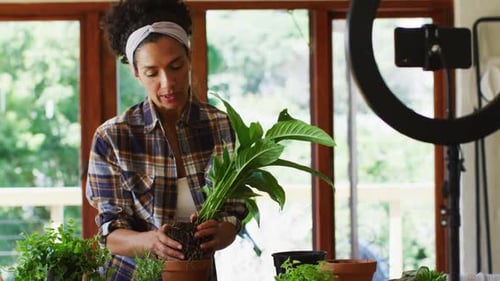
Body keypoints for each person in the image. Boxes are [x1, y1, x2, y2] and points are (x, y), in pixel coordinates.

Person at [85, 0, 248, 280]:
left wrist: (222, 232)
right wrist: (151, 242)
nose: (167, 82)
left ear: (189, 57)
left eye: (176, 66)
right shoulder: (112, 137)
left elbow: (233, 211)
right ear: (136, 73)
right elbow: (110, 233)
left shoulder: (220, 126)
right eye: (152, 73)